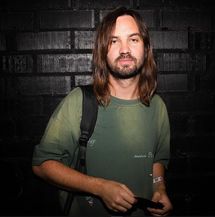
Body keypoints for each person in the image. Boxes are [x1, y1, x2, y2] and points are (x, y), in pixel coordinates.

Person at [32, 6, 173, 216]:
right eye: (114, 41)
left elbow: (157, 161)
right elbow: (42, 165)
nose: (124, 49)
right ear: (102, 50)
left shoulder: (158, 106)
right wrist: (99, 187)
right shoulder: (79, 101)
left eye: (133, 39)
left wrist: (159, 188)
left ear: (145, 47)